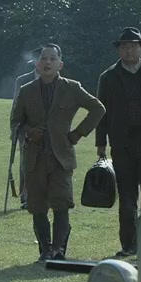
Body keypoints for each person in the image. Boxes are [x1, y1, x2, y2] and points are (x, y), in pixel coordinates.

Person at [11, 44, 105, 262]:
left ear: (60, 64)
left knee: (61, 203)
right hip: (34, 158)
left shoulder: (72, 88)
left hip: (61, 158)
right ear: (37, 64)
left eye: (52, 59)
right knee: (37, 206)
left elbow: (98, 108)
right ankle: (45, 251)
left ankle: (59, 250)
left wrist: (77, 134)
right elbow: (15, 122)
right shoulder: (26, 91)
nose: (47, 62)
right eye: (44, 58)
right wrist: (28, 133)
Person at [95, 27, 141, 258]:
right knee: (127, 196)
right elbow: (101, 111)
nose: (128, 50)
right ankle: (129, 245)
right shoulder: (108, 77)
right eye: (124, 46)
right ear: (119, 50)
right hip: (122, 143)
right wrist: (100, 142)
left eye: (133, 45)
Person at [11, 46, 42, 209]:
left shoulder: (58, 81)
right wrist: (15, 129)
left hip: (49, 129)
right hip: (26, 129)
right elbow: (16, 107)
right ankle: (26, 196)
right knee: (26, 164)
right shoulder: (22, 80)